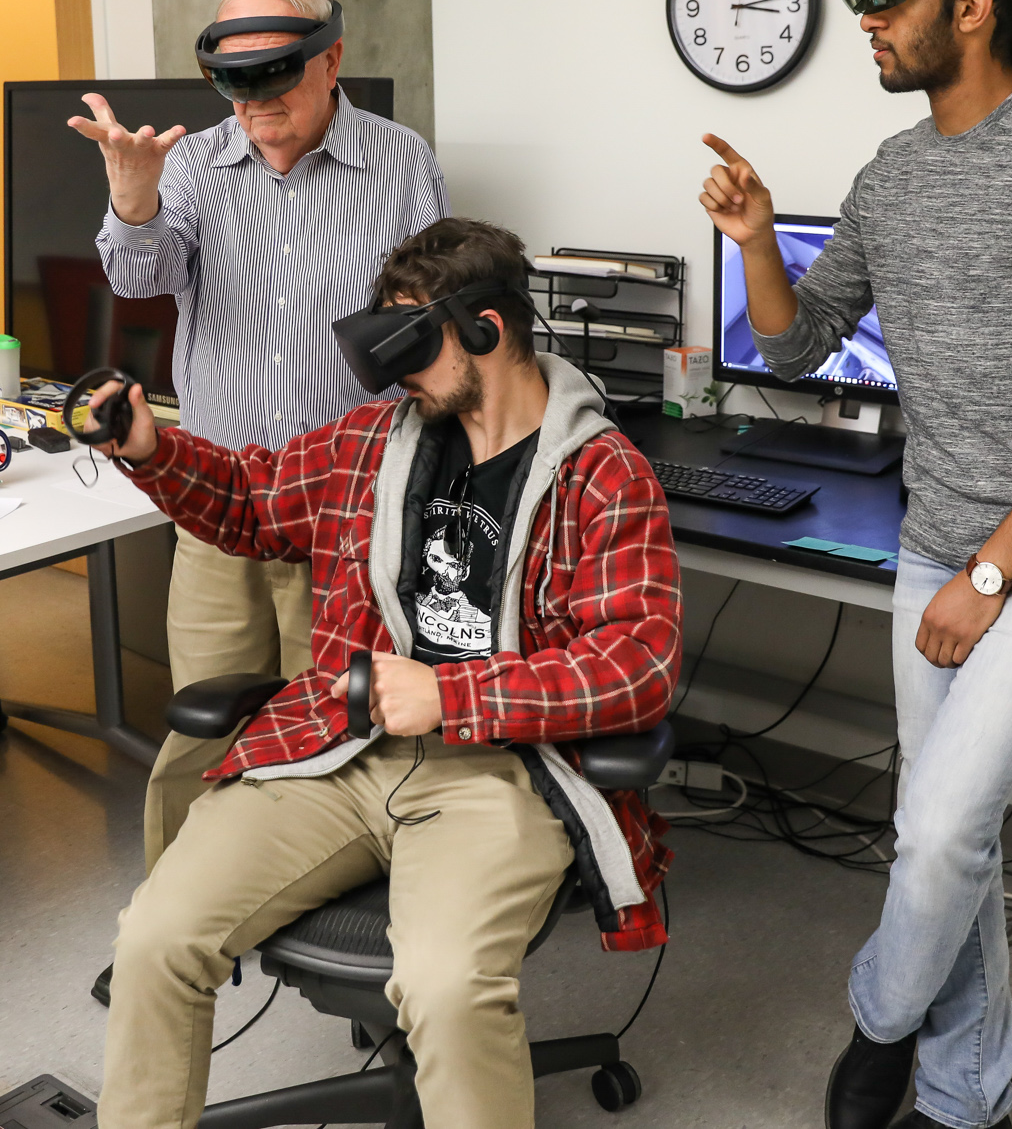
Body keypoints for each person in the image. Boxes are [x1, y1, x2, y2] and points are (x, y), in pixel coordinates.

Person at [699, 0, 1012, 1129]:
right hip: (930, 541)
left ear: (975, 2)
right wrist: (755, 240)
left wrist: (993, 575)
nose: (864, 24)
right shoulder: (891, 176)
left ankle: (875, 1028)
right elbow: (796, 352)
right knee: (937, 842)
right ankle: (967, 1102)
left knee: (941, 832)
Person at [87, 217, 680, 1129]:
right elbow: (251, 500)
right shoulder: (375, 440)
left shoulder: (603, 474)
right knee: (156, 939)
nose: (397, 373)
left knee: (445, 986)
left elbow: (635, 665)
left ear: (486, 328)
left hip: (499, 770)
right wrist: (152, 449)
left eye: (415, 343)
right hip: (339, 750)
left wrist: (453, 694)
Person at [72, 0, 449, 873]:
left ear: (332, 61)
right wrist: (133, 200)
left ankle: (338, 909)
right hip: (220, 506)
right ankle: (171, 926)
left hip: (352, 514)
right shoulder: (193, 165)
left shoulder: (402, 163)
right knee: (203, 729)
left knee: (346, 733)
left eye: (274, 78)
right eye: (233, 84)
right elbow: (137, 277)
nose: (253, 105)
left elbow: (430, 331)